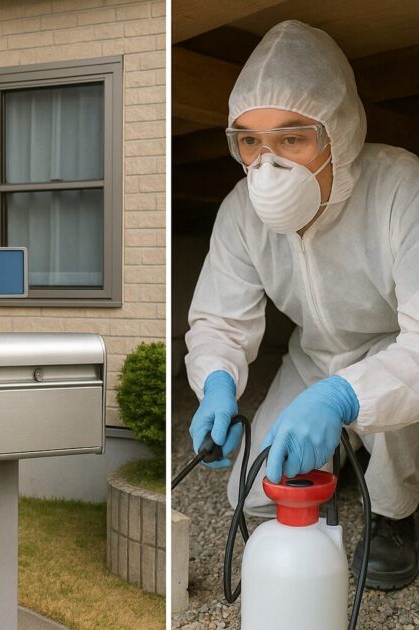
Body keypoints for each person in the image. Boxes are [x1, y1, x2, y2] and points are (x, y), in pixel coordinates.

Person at [185, 20, 419, 591]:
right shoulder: (240, 210)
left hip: (395, 350)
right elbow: (219, 319)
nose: (267, 165)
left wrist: (343, 397)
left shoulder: (401, 188)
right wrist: (216, 383)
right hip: (313, 357)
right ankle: (344, 455)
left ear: (339, 132)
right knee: (253, 491)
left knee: (397, 433)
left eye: (292, 139)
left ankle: (393, 518)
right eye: (250, 141)